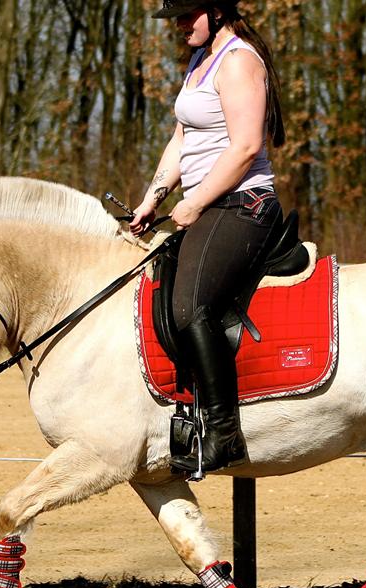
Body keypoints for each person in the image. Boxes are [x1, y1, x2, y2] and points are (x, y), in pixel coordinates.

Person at [130, 0, 286, 475]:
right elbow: (182, 140)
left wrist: (195, 203)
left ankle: (223, 433)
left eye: (186, 15)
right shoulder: (200, 60)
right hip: (209, 204)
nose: (178, 25)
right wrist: (152, 198)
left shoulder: (238, 62)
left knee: (189, 306)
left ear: (216, 11)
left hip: (243, 204)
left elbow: (245, 147)